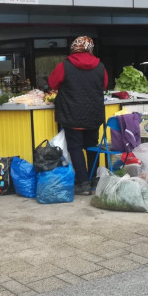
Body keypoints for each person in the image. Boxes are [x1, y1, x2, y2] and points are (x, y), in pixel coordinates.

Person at [48, 36, 108, 195]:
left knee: (75, 148)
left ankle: (83, 183)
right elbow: (104, 84)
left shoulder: (64, 65)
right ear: (90, 48)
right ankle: (93, 179)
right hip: (93, 114)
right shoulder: (100, 66)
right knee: (92, 147)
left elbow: (52, 83)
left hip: (72, 113)